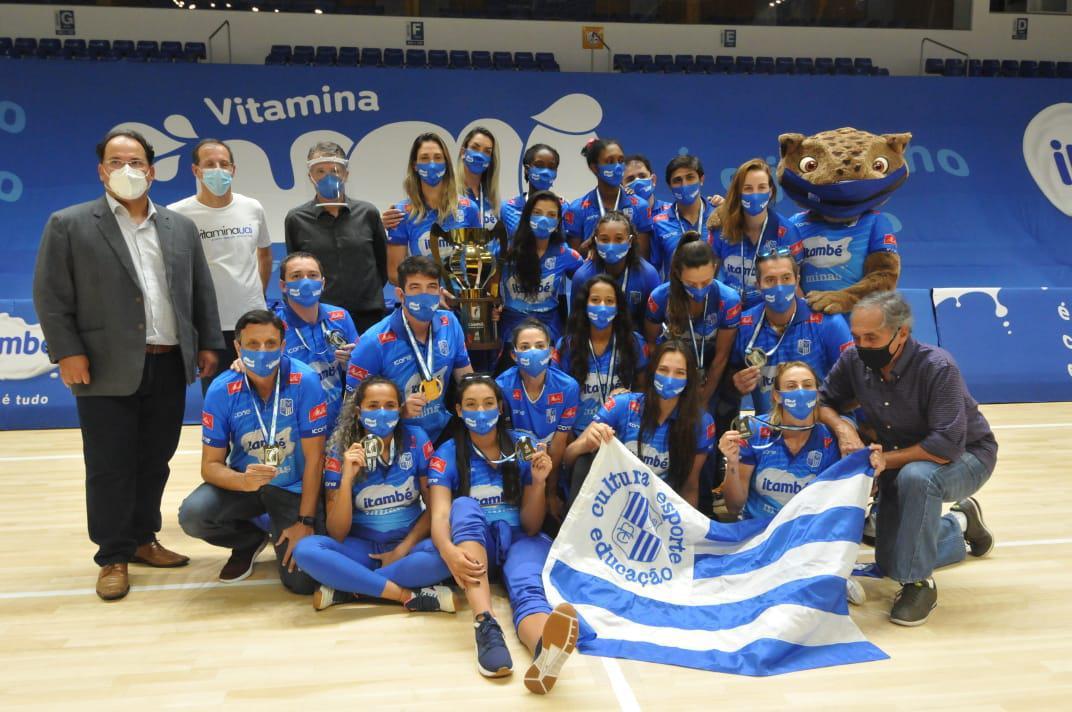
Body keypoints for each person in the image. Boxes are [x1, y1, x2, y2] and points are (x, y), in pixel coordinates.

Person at [33, 128, 222, 601]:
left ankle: (144, 539)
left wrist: (207, 344)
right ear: (102, 171)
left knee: (154, 460)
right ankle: (113, 554)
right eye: (116, 162)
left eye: (135, 161)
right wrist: (68, 351)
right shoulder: (69, 224)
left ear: (152, 170)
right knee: (109, 465)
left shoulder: (179, 227)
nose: (127, 170)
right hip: (103, 367)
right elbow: (52, 296)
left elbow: (201, 290)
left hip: (167, 363)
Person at [818, 291, 996, 627]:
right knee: (888, 560)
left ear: (902, 333)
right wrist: (844, 429)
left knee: (918, 478)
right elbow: (825, 401)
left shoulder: (937, 366)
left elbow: (943, 447)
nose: (862, 345)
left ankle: (918, 583)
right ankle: (959, 524)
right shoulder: (854, 360)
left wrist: (884, 460)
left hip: (966, 456)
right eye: (856, 337)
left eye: (872, 337)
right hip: (900, 458)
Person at [427, 375, 579, 693]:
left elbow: (531, 525)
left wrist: (538, 483)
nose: (480, 411)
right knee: (464, 506)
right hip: (474, 547)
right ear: (457, 410)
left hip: (519, 537)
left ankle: (544, 652)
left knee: (528, 587)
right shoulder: (447, 453)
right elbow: (440, 514)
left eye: (487, 403)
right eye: (470, 405)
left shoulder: (522, 444)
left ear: (500, 407)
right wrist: (449, 551)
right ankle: (486, 624)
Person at [179, 309, 328, 594]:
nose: (262, 352)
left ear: (283, 346)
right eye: (253, 344)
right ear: (238, 347)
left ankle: (282, 528)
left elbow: (315, 458)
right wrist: (242, 482)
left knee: (304, 583)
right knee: (193, 514)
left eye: (271, 344)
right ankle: (247, 540)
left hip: (292, 490)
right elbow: (210, 466)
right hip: (244, 487)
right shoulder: (222, 390)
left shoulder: (305, 381)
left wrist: (305, 522)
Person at [718, 360, 885, 604]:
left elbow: (850, 503)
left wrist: (873, 472)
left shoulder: (833, 438)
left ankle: (828, 573)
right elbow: (733, 506)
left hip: (808, 541)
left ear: (817, 394)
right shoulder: (754, 430)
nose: (800, 391)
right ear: (776, 395)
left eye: (807, 385)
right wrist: (732, 463)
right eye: (791, 385)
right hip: (761, 536)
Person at [292, 377, 455, 613]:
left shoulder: (416, 439)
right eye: (373, 406)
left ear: (400, 409)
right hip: (361, 548)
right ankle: (404, 594)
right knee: (306, 550)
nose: (382, 412)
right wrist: (347, 478)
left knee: (447, 554)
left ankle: (350, 587)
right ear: (358, 412)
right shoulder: (340, 449)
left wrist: (402, 549)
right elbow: (337, 532)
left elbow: (434, 508)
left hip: (408, 545)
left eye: (389, 406)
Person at [168, 138, 271, 392]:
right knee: (219, 397)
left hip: (252, 322)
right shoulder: (177, 214)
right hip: (209, 327)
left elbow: (265, 255)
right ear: (196, 170)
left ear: (233, 170)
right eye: (209, 164)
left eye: (224, 164)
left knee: (262, 392)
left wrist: (255, 295)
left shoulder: (252, 208)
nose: (218, 170)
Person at [564, 340, 715, 509]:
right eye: (663, 370)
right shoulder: (622, 405)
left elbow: (690, 486)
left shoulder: (701, 423)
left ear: (689, 379)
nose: (670, 379)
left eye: (679, 373)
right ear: (652, 371)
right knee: (583, 463)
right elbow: (568, 456)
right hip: (612, 501)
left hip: (658, 508)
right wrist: (586, 444)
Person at [345, 256, 474, 444]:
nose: (424, 294)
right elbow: (352, 410)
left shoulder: (450, 323)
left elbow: (465, 379)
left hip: (442, 432)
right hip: (395, 437)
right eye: (415, 288)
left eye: (431, 287)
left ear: (439, 292)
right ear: (400, 295)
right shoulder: (373, 342)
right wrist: (399, 412)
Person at [730, 248, 853, 415]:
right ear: (758, 286)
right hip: (770, 431)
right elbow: (727, 381)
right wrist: (734, 385)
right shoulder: (744, 326)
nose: (779, 288)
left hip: (822, 425)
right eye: (770, 280)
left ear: (797, 281)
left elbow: (853, 381)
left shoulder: (828, 322)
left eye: (786, 278)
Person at [284, 141, 387, 333]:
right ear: (310, 177)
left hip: (369, 316)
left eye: (334, 170)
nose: (327, 177)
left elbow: (383, 265)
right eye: (320, 171)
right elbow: (293, 271)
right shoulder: (296, 219)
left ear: (346, 174)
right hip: (321, 317)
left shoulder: (368, 213)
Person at [495, 319, 580, 519]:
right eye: (525, 347)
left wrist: (549, 493)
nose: (533, 352)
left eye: (540, 346)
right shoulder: (501, 386)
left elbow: (559, 444)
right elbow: (501, 442)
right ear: (514, 355)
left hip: (551, 465)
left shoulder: (568, 387)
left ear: (551, 352)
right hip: (516, 466)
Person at [645, 234, 740, 411]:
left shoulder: (728, 300)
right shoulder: (659, 298)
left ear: (715, 268)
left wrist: (703, 399)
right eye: (691, 283)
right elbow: (651, 345)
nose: (699, 290)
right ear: (678, 274)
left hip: (712, 374)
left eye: (705, 282)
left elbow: (721, 357)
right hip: (672, 373)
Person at [383, 133, 482, 285]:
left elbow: (479, 264)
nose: (432, 164)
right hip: (425, 302)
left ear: (446, 163)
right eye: (424, 158)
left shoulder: (469, 209)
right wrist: (430, 289)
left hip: (463, 301)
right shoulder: (401, 213)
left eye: (437, 158)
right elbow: (395, 274)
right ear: (414, 165)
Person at [273, 251, 359, 425]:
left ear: (322, 283)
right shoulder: (273, 326)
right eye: (296, 276)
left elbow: (360, 369)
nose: (306, 282)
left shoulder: (340, 316)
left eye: (312, 275)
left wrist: (352, 362)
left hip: (335, 423)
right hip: (293, 424)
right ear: (283, 285)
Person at [556, 275, 648, 436]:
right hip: (579, 434)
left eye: (610, 301)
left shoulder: (634, 343)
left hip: (620, 434)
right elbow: (559, 398)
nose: (602, 307)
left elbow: (644, 388)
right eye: (595, 300)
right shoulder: (567, 345)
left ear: (618, 306)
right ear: (584, 305)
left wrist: (630, 398)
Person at [709, 158, 804, 310]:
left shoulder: (786, 231)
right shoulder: (722, 228)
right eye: (748, 188)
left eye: (761, 188)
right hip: (728, 310)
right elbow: (709, 274)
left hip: (768, 314)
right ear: (738, 192)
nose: (755, 195)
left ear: (771, 191)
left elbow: (795, 284)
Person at [499, 190, 582, 347]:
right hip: (512, 326)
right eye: (537, 213)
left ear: (558, 222)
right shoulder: (505, 252)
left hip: (550, 326)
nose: (544, 219)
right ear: (526, 217)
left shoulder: (565, 254)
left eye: (551, 215)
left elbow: (587, 277)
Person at [568, 211, 660, 328]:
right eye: (605, 240)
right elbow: (575, 324)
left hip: (633, 341)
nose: (611, 246)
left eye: (618, 239)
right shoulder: (583, 277)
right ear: (596, 241)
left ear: (630, 241)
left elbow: (653, 323)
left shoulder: (648, 275)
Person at [563, 138, 654, 257]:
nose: (617, 167)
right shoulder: (577, 209)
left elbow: (642, 258)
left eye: (620, 161)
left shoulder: (639, 206)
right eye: (610, 162)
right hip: (591, 275)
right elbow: (574, 263)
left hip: (628, 275)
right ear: (594, 168)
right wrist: (593, 246)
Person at [651, 155, 711, 279]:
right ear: (669, 186)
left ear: (702, 179)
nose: (684, 185)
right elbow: (653, 270)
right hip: (675, 296)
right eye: (677, 180)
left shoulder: (719, 216)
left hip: (713, 296)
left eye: (690, 177)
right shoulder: (659, 223)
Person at [500, 143, 561, 238]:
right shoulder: (507, 208)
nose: (545, 172)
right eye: (539, 165)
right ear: (527, 170)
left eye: (551, 167)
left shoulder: (564, 208)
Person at [457, 126, 501, 231]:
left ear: (491, 160)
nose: (480, 155)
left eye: (487, 151)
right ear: (463, 152)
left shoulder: (492, 197)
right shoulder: (448, 192)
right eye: (475, 148)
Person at [622, 153, 672, 225]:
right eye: (630, 179)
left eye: (642, 176)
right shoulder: (618, 218)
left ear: (653, 180)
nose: (638, 182)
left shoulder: (674, 212)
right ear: (622, 186)